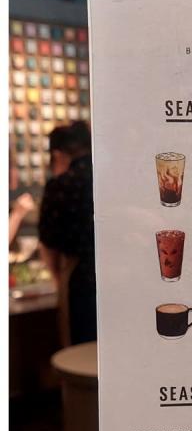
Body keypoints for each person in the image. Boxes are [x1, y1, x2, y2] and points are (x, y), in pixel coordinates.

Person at [38, 121, 97, 345]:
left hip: (80, 282)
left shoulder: (60, 185)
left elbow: (48, 246)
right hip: (121, 275)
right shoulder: (111, 179)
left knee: (81, 353)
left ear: (58, 154)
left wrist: (58, 280)